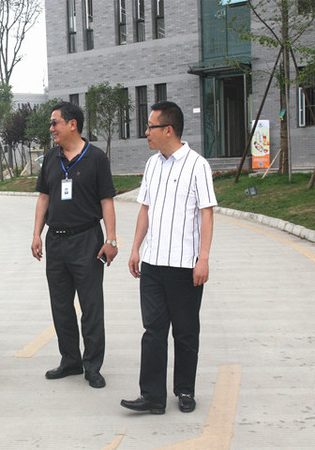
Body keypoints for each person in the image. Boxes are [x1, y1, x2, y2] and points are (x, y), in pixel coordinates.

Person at [120, 101, 216, 415]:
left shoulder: (197, 165)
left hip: (185, 265)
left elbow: (206, 214)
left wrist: (203, 258)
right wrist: (136, 248)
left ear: (169, 130)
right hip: (153, 264)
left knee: (186, 332)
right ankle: (152, 396)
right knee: (153, 331)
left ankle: (185, 390)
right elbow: (145, 209)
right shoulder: (152, 165)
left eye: (151, 127)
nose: (146, 132)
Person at [31, 101, 118, 389]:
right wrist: (36, 235)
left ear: (72, 124)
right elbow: (43, 197)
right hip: (55, 241)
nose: (51, 128)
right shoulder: (51, 158)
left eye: (55, 122)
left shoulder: (96, 158)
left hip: (87, 241)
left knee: (91, 306)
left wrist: (111, 240)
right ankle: (70, 360)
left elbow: (107, 201)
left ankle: (93, 365)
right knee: (61, 306)